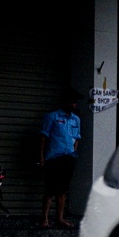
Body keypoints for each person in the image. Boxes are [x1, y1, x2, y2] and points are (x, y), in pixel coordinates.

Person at [39, 91, 82, 228]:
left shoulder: (76, 119)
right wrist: (41, 155)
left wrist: (74, 151)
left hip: (68, 158)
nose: (73, 105)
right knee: (50, 189)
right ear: (65, 102)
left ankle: (60, 218)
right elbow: (43, 137)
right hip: (53, 157)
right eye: (71, 102)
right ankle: (45, 219)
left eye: (75, 102)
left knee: (62, 190)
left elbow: (77, 138)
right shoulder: (52, 116)